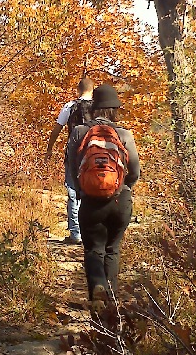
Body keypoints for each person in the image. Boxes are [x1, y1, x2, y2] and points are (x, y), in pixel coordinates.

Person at [67, 83, 140, 310]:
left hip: (90, 200)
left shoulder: (80, 132)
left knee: (93, 249)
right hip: (120, 200)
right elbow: (135, 171)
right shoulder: (124, 134)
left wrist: (82, 190)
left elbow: (72, 167)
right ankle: (112, 301)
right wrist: (124, 188)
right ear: (115, 109)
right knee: (112, 249)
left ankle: (98, 290)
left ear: (93, 108)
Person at [45, 77, 94, 244]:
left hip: (74, 154)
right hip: (94, 154)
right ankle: (92, 232)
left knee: (73, 192)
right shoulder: (99, 108)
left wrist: (50, 149)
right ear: (92, 90)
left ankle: (76, 234)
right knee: (93, 191)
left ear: (78, 90)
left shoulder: (70, 106)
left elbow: (57, 129)